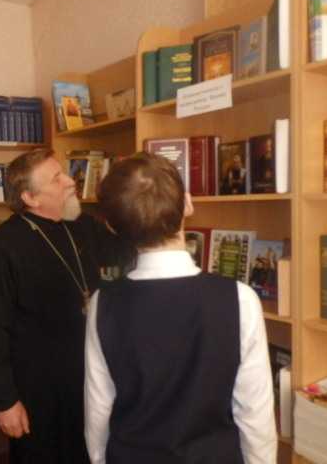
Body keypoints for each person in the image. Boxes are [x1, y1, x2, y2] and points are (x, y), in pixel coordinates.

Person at [85, 152, 277, 463]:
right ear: (187, 203)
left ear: (112, 226)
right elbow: (255, 414)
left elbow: (98, 407)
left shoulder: (102, 303)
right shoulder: (240, 299)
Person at [0, 149, 131, 463]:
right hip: (37, 388)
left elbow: (126, 253)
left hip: (89, 376)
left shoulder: (82, 225)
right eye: (57, 178)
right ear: (30, 197)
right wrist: (5, 401)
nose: (70, 182)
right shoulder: (4, 244)